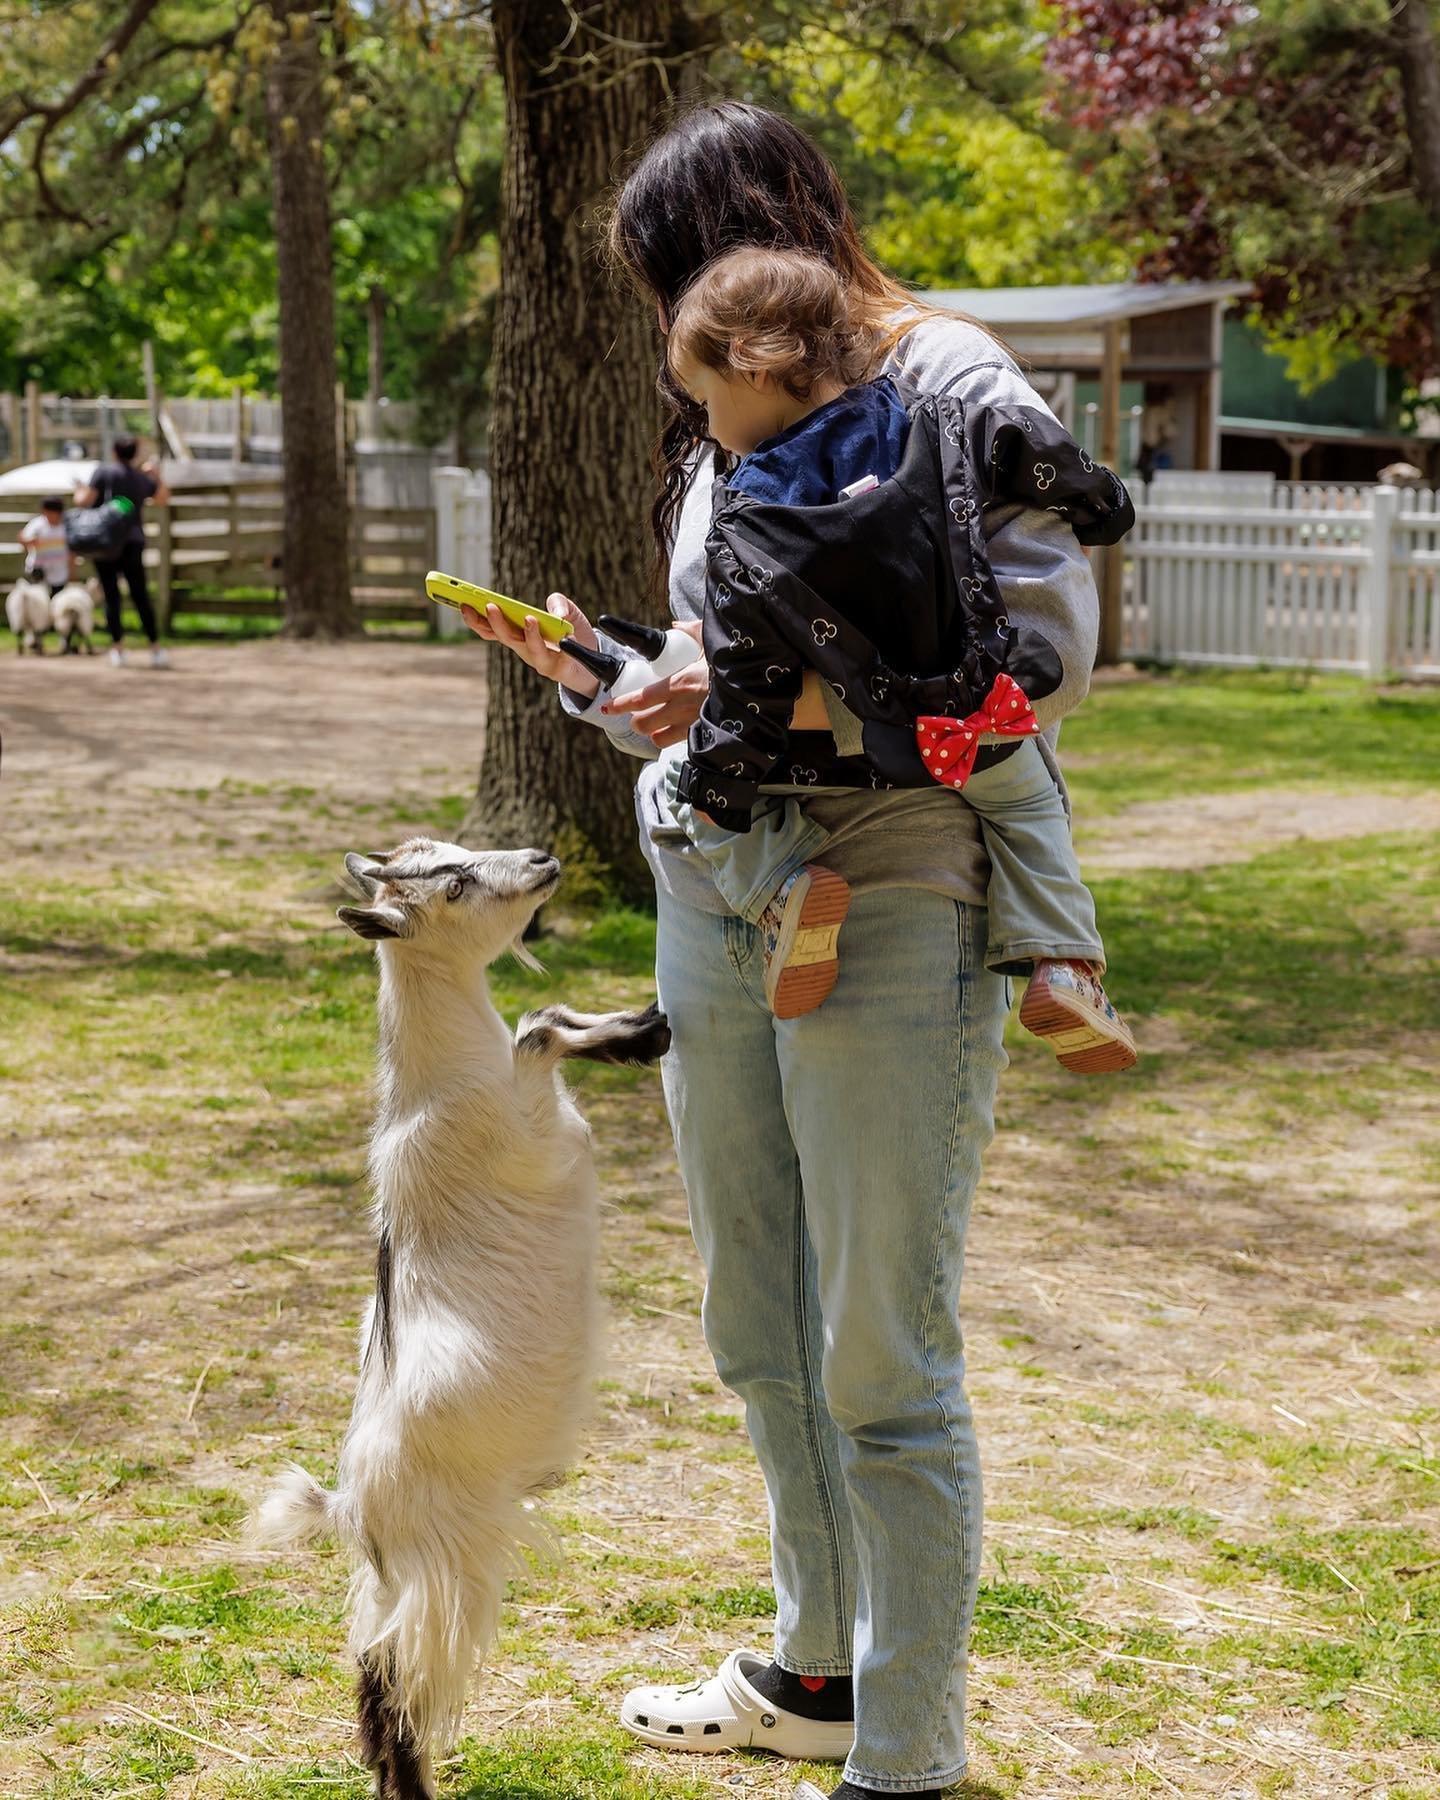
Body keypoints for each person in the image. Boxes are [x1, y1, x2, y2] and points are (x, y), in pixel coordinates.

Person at [464, 102, 1111, 1800]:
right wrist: (633, 688)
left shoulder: (956, 383)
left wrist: (782, 700)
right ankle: (815, 1668)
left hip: (890, 890)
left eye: (679, 282)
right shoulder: (740, 403)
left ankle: (905, 1755)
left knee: (883, 1354)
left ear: (759, 234)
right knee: (760, 1324)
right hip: (714, 889)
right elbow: (722, 643)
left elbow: (1042, 651)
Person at [657, 246, 1136, 1069]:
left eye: (705, 398)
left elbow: (748, 684)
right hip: (971, 709)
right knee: (1027, 807)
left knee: (682, 791)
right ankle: (1063, 962)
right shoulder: (936, 422)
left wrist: (718, 787)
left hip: (859, 746)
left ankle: (788, 891)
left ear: (759, 367)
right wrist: (1097, 502)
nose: (704, 425)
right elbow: (1028, 447)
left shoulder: (746, 520)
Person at [75, 435, 171, 668]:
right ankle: (155, 648)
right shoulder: (140, 478)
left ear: (114, 451)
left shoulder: (103, 473)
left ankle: (118, 648)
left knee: (111, 595)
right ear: (135, 453)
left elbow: (83, 500)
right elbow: (162, 498)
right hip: (133, 541)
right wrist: (155, 475)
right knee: (140, 594)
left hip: (106, 542)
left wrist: (78, 489)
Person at [19, 495, 76, 595]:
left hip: (59, 571)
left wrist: (72, 571)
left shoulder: (67, 526)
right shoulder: (37, 524)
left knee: (57, 600)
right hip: (38, 569)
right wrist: (28, 541)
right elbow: (23, 538)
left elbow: (72, 550)